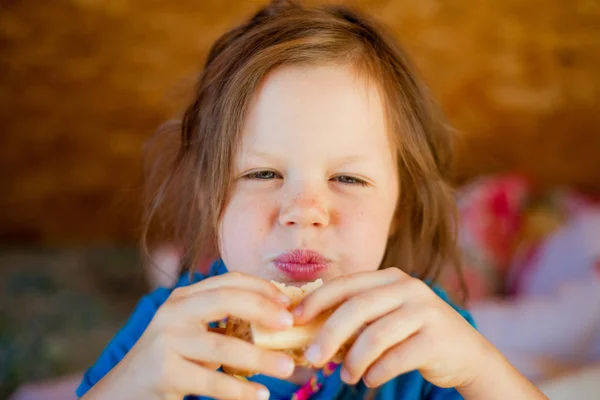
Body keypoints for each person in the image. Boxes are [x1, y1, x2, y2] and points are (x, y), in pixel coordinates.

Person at [76, 1, 547, 399]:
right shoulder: (164, 337)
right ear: (209, 196)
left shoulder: (426, 340)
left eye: (347, 177)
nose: (304, 211)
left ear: (399, 208)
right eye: (263, 173)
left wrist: (482, 371)